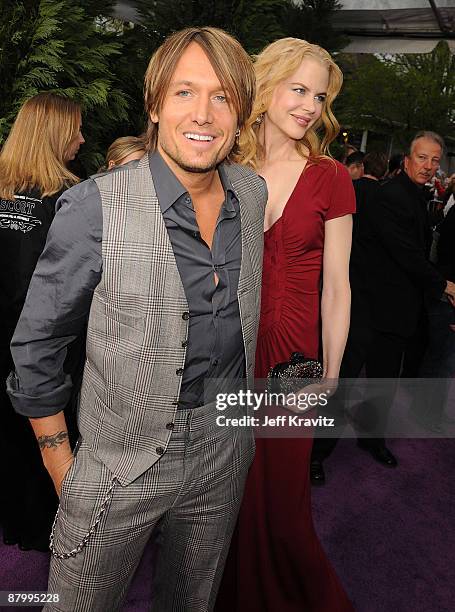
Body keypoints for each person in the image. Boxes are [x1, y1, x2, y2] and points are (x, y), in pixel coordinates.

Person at [7, 27, 266, 611]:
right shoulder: (93, 205)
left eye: (222, 96)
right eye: (184, 92)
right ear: (154, 105)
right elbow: (38, 345)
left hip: (224, 448)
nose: (203, 113)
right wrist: (63, 468)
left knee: (191, 601)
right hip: (116, 463)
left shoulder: (251, 194)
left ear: (241, 113)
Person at [216, 38, 355, 611]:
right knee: (228, 501)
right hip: (229, 353)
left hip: (295, 359)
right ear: (266, 87)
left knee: (284, 508)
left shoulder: (330, 177)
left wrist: (331, 374)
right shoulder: (226, 165)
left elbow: (338, 287)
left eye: (319, 96)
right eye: (298, 89)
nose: (309, 107)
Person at [0, 93, 84, 552]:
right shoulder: (70, 201)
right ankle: (43, 530)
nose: (82, 139)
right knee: (48, 437)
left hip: (7, 341)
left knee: (10, 436)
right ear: (54, 134)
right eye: (74, 130)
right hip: (46, 347)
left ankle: (15, 521)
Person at [311, 152, 394, 484]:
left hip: (349, 302)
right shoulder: (371, 196)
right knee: (347, 383)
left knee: (339, 382)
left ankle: (316, 456)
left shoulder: (351, 193)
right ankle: (318, 454)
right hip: (361, 304)